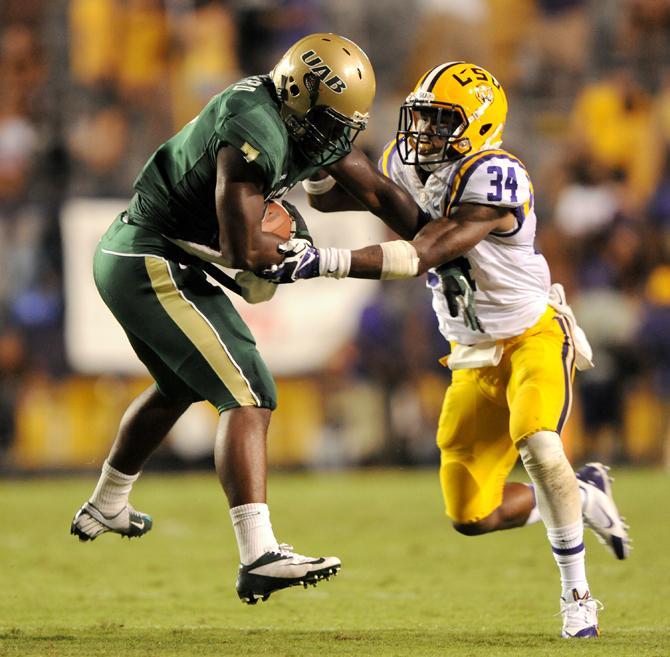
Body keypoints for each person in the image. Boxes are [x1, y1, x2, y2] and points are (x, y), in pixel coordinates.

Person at [263, 61, 631, 637]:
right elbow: (340, 197)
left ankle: (577, 594)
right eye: (423, 117)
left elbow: (424, 252)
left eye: (440, 121)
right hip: (472, 355)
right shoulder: (413, 164)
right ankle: (579, 494)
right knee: (471, 515)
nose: (424, 132)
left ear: (480, 126)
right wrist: (316, 154)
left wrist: (323, 262)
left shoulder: (496, 174)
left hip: (531, 335)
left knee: (538, 442)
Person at [70, 33, 425, 605]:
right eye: (333, 119)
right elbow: (243, 254)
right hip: (143, 256)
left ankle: (107, 503)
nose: (340, 133)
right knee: (249, 387)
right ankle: (258, 554)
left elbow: (378, 193)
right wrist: (326, 260)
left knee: (179, 385)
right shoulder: (253, 126)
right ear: (298, 95)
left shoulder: (302, 119)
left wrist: (443, 251)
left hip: (149, 255)